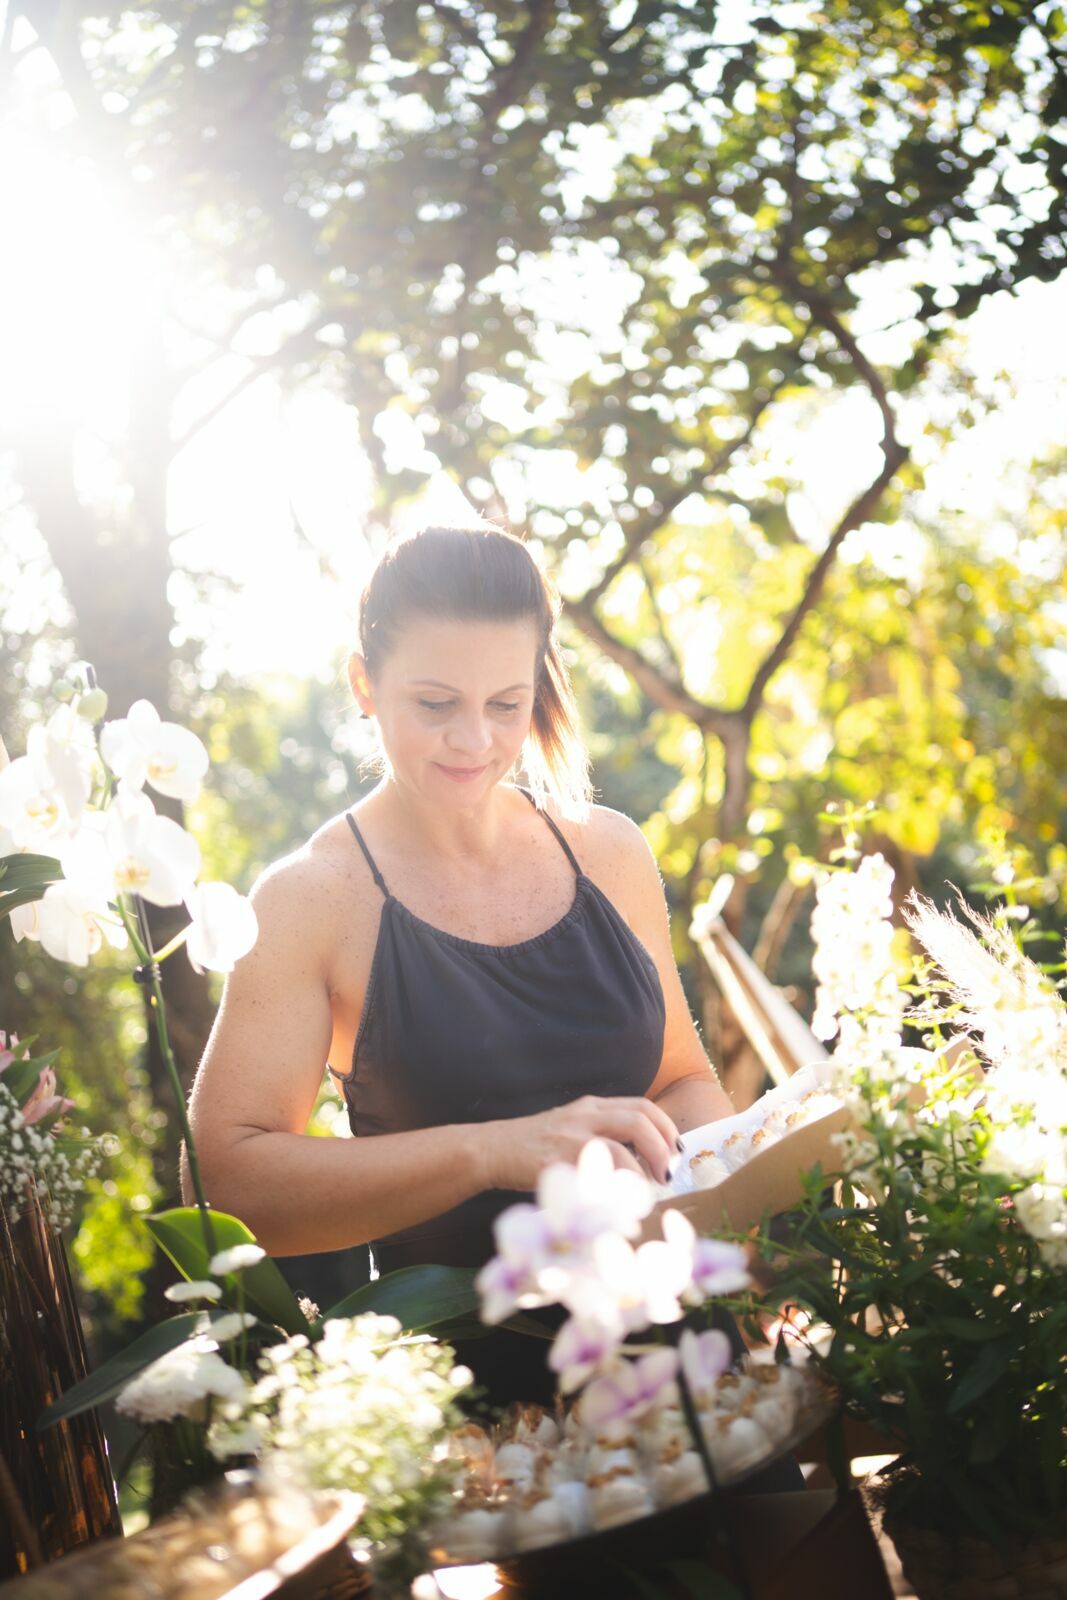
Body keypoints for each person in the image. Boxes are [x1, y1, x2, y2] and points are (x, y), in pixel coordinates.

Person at [185, 523, 737, 1408]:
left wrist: (736, 1202)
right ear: (363, 684)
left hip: (689, 1356)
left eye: (506, 704)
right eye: (435, 703)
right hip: (486, 1408)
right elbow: (225, 1185)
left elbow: (680, 1081)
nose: (473, 741)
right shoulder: (308, 900)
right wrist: (493, 1154)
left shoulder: (609, 853)